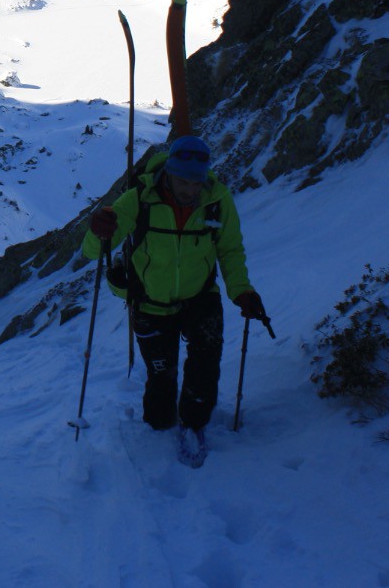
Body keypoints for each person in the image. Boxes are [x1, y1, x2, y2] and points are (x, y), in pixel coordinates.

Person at [80, 134, 266, 463]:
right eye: (183, 181)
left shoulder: (217, 201)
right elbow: (93, 251)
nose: (190, 190)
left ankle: (194, 424)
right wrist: (98, 230)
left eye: (196, 182)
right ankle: (159, 428)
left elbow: (230, 251)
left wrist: (242, 291)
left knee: (205, 369)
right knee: (161, 376)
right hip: (151, 303)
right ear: (169, 172)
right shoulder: (138, 201)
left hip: (201, 298)